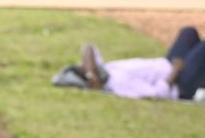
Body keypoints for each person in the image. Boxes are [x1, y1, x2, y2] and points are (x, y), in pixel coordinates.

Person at [53, 26, 205, 100]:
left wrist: (90, 72)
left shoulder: (104, 70)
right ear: (91, 83)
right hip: (179, 81)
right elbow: (156, 94)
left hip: (167, 63)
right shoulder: (118, 84)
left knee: (188, 32)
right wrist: (175, 71)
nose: (86, 65)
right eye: (83, 69)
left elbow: (88, 48)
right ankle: (196, 79)